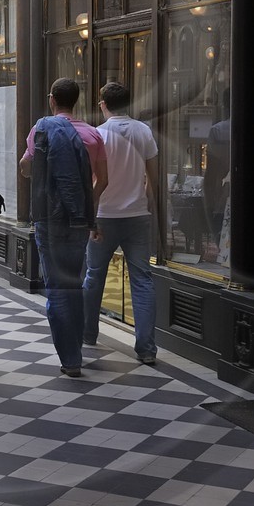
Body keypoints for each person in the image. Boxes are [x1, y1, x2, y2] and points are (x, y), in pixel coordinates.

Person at [20, 78, 106, 378]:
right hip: (80, 221)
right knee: (75, 282)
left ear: (51, 99)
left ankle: (70, 359)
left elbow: (26, 167)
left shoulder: (41, 129)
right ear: (77, 101)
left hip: (49, 219)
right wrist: (83, 205)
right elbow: (102, 179)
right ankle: (77, 351)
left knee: (57, 286)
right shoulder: (93, 135)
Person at [82, 81, 161, 364]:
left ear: (103, 104)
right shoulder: (144, 131)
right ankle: (147, 349)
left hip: (104, 215)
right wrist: (150, 204)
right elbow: (154, 175)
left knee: (94, 276)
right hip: (138, 215)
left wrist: (89, 215)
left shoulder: (97, 135)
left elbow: (92, 178)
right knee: (142, 281)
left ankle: (89, 333)